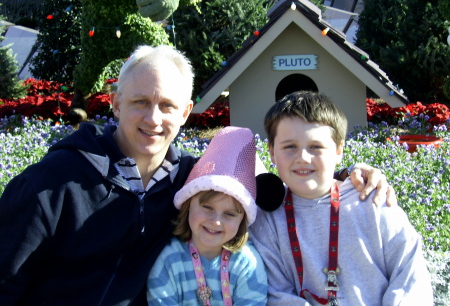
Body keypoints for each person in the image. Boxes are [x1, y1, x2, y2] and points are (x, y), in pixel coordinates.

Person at [0, 44, 393, 306]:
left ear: (187, 113)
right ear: (116, 104)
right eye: (140, 102)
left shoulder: (193, 177)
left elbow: (271, 185)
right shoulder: (49, 185)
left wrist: (348, 173)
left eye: (167, 106)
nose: (154, 119)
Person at [250, 91, 433, 305]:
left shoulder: (373, 201)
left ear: (339, 150)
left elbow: (410, 276)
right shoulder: (267, 220)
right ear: (271, 152)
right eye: (289, 147)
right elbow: (277, 294)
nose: (302, 157)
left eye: (316, 147)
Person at [147, 126, 267, 305]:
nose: (216, 221)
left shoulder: (246, 264)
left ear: (242, 221)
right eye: (208, 207)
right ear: (188, 206)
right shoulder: (168, 260)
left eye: (229, 214)